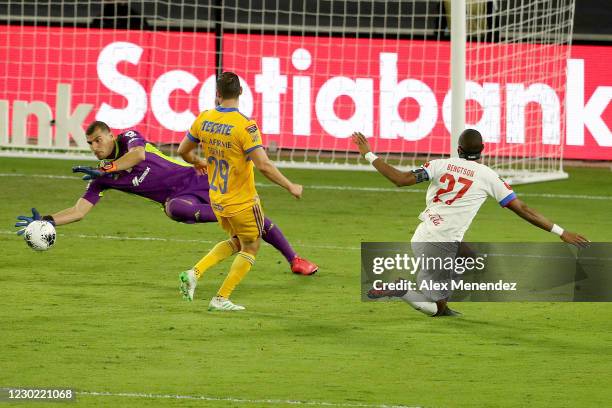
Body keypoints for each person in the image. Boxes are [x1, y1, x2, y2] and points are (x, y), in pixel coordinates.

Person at [14, 121, 317, 276]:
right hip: (179, 199)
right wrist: (47, 220)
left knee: (248, 217)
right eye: (90, 143)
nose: (95, 146)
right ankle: (238, 223)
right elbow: (80, 211)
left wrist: (108, 166)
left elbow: (138, 155)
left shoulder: (128, 138)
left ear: (110, 135)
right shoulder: (102, 177)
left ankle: (295, 260)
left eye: (98, 140)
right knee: (174, 209)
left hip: (198, 178)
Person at [351, 129, 589, 317]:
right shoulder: (488, 176)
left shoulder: (438, 165)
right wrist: (561, 231)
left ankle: (436, 292)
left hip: (426, 234)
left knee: (470, 258)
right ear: (482, 150)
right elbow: (523, 210)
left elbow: (400, 179)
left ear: (459, 149)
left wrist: (368, 153)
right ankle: (403, 289)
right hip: (439, 245)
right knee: (437, 311)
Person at [176, 71, 304, 311]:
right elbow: (263, 164)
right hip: (243, 201)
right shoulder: (245, 126)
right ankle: (221, 298)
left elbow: (183, 150)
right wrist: (290, 185)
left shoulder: (203, 118)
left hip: (217, 199)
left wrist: (198, 161)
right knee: (252, 246)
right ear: (241, 93)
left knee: (236, 241)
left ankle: (194, 273)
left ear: (217, 94)